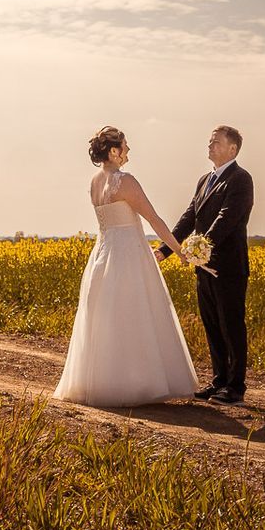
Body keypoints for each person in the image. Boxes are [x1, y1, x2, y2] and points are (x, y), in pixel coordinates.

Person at [52, 126, 201, 407]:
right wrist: (179, 251)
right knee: (135, 314)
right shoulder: (125, 181)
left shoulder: (95, 181)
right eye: (125, 146)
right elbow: (154, 219)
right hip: (128, 255)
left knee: (108, 318)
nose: (129, 150)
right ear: (113, 151)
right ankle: (137, 383)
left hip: (103, 254)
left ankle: (103, 382)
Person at [156, 125, 253, 404]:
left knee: (231, 324)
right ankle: (219, 381)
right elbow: (189, 218)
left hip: (228, 267)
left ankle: (235, 388)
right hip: (204, 267)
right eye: (209, 141)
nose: (209, 146)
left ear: (232, 149)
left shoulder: (240, 179)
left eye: (216, 142)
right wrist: (165, 249)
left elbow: (227, 218)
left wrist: (202, 246)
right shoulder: (205, 180)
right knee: (211, 324)